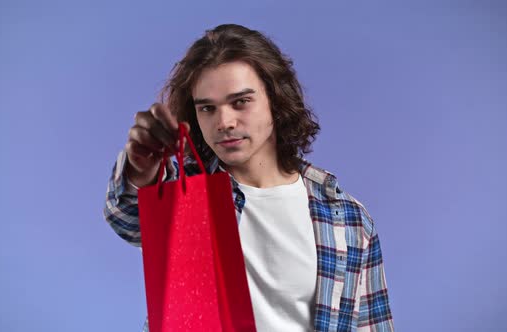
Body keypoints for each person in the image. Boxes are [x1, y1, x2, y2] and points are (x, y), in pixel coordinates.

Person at [103, 24, 394, 332]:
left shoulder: (347, 218)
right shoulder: (186, 197)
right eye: (207, 108)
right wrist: (141, 169)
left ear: (275, 99)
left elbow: (371, 326)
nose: (224, 122)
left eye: (241, 101)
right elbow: (126, 215)